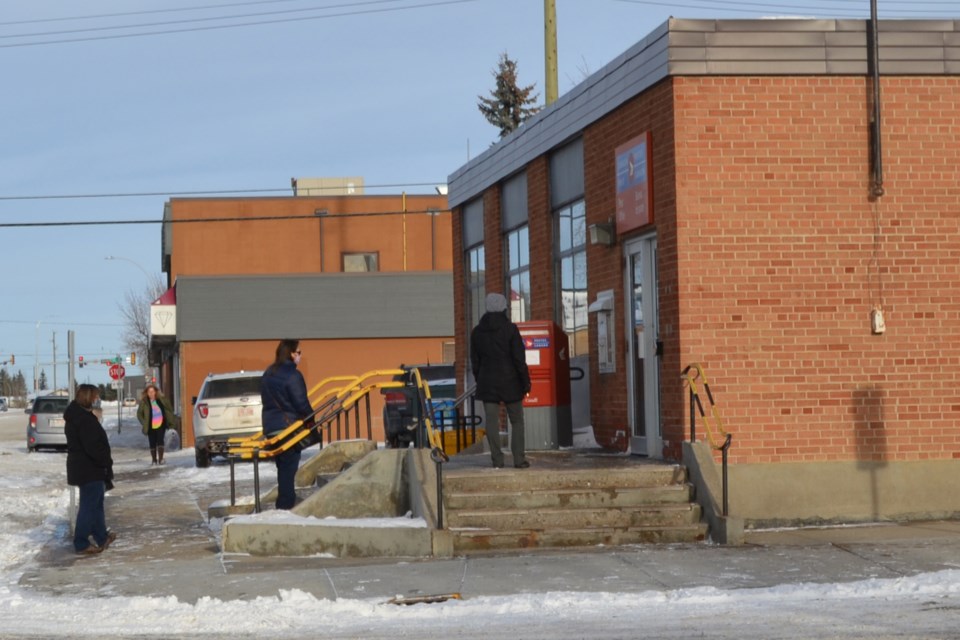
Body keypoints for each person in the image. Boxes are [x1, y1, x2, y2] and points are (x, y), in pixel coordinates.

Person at [470, 292, 532, 469]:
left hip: (487, 381)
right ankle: (519, 459)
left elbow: (475, 361)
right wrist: (525, 382)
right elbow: (519, 359)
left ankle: (497, 460)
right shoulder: (510, 329)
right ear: (504, 307)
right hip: (511, 381)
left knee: (491, 421)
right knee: (517, 420)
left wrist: (479, 377)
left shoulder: (477, 332)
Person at [260, 339, 314, 509]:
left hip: (272, 428)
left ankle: (285, 502)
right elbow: (301, 403)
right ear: (291, 353)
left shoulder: (268, 373)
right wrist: (311, 419)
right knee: (289, 469)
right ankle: (285, 505)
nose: (300, 356)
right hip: (288, 428)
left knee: (283, 468)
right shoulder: (293, 375)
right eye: (298, 352)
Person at [65, 384, 116, 555]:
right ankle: (81, 542)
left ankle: (101, 536)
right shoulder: (82, 419)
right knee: (88, 506)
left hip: (88, 468)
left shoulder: (81, 415)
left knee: (96, 504)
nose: (97, 400)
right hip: (88, 468)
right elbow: (92, 447)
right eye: (95, 396)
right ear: (88, 397)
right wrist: (105, 461)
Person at [137, 384, 176, 465]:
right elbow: (139, 414)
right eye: (149, 392)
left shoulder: (161, 400)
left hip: (160, 424)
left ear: (155, 392)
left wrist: (170, 420)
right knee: (152, 442)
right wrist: (144, 423)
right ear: (146, 393)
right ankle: (154, 460)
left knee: (160, 441)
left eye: (152, 391)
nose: (151, 393)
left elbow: (169, 409)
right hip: (150, 425)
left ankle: (161, 459)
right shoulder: (144, 402)